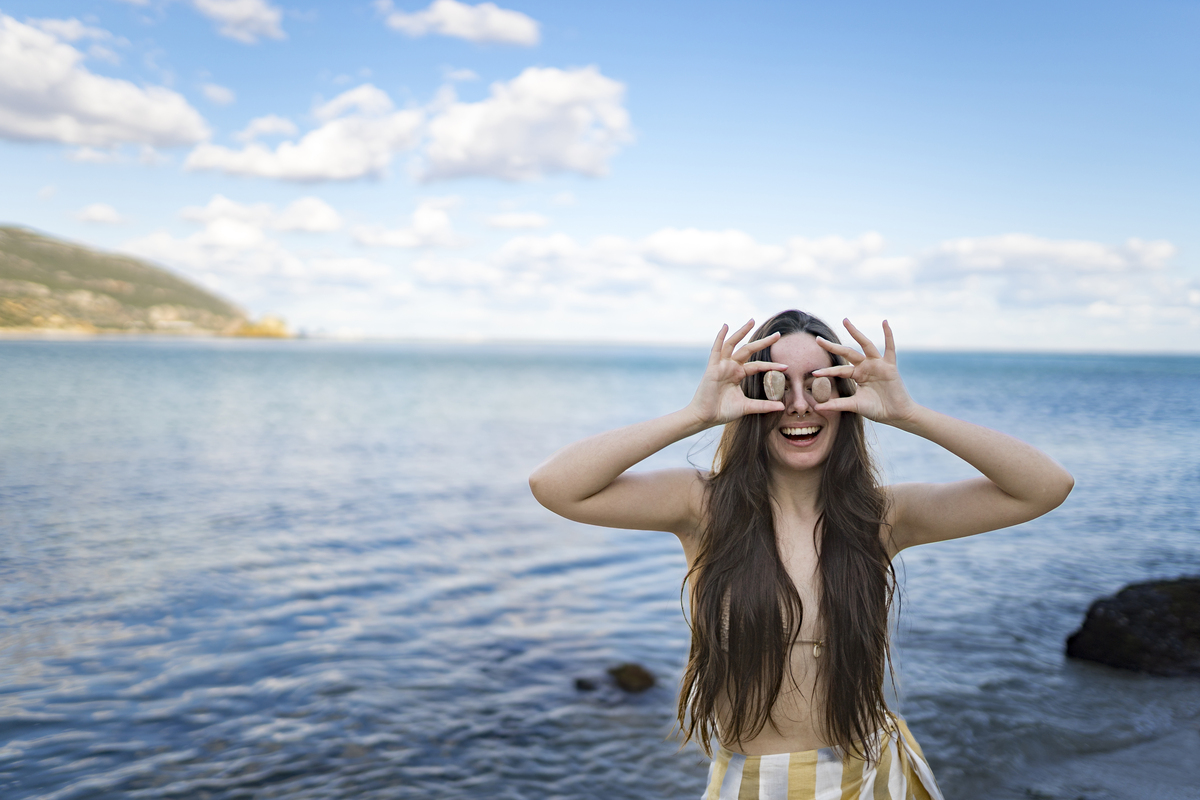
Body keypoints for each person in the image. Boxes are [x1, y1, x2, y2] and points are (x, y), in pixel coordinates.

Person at [528, 310, 1074, 800]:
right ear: (748, 395)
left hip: (877, 771)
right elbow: (556, 486)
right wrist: (697, 415)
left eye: (820, 382)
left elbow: (1044, 487)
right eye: (773, 383)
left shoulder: (879, 517)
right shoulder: (702, 506)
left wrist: (908, 413)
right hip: (760, 784)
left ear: (847, 395)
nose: (798, 403)